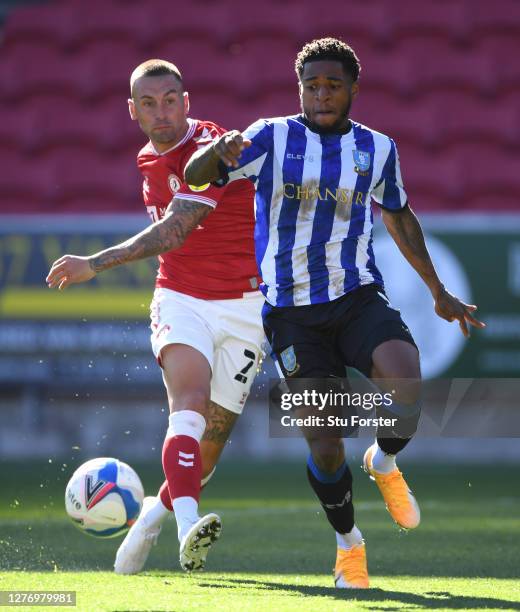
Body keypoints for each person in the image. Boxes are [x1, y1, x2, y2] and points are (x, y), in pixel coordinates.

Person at [185, 37, 485, 589]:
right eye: (311, 84)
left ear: (353, 89)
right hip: (292, 314)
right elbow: (201, 175)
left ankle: (385, 461)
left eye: (333, 84)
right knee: (325, 442)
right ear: (299, 88)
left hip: (355, 297)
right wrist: (215, 152)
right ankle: (349, 546)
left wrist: (437, 291)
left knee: (406, 382)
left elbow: (399, 215)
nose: (321, 94)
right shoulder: (269, 137)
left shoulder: (377, 149)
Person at [46, 59, 265, 574]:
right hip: (181, 298)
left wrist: (94, 263)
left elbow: (174, 231)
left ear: (186, 103)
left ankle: (150, 517)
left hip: (247, 307)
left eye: (170, 100)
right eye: (149, 103)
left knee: (204, 459)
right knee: (186, 403)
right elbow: (174, 251)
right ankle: (189, 528)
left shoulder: (211, 148)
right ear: (133, 111)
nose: (161, 111)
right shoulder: (147, 157)